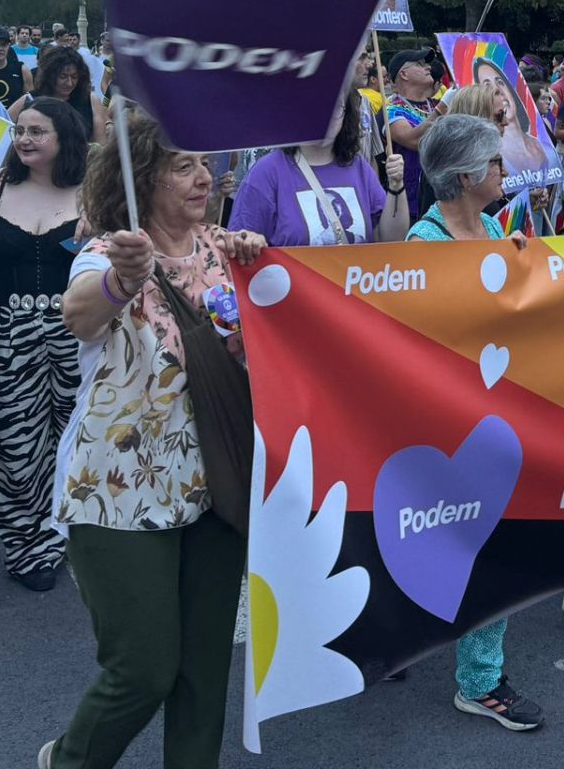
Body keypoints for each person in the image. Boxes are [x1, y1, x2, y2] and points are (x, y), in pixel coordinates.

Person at [45, 111, 266, 768]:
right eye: (183, 166)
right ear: (142, 177)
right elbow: (80, 314)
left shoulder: (225, 248)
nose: (205, 177)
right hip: (117, 493)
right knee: (142, 670)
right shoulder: (109, 254)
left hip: (216, 485)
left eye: (206, 164)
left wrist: (259, 264)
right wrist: (123, 278)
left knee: (204, 676)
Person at [403, 114, 544, 731]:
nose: (503, 171)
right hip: (448, 429)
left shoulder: (492, 227)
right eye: (493, 163)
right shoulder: (422, 247)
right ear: (463, 175)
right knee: (465, 546)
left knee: (486, 546)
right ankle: (479, 684)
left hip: (495, 422)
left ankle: (472, 669)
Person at [0, 97, 89, 592]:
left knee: (78, 439)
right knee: (15, 445)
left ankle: (79, 533)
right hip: (5, 338)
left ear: (65, 139)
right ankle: (28, 546)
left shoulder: (94, 192)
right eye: (19, 130)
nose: (25, 139)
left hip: (78, 335)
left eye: (38, 131)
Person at [232, 89, 410, 245]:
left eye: (335, 106)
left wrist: (396, 186)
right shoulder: (266, 173)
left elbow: (391, 241)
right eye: (317, 105)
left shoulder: (359, 168)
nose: (325, 115)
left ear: (346, 113)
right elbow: (241, 244)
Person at [471, 57, 548, 175]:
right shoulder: (489, 154)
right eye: (488, 86)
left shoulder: (539, 143)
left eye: (500, 82)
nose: (497, 90)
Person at [384, 50, 441, 204]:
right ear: (404, 74)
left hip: (444, 198)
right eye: (419, 64)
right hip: (411, 203)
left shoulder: (436, 104)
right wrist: (442, 111)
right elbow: (413, 140)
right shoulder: (391, 109)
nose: (428, 67)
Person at [24, 45, 111, 142]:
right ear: (50, 75)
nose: (69, 83)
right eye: (63, 76)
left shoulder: (91, 100)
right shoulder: (30, 99)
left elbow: (99, 145)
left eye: (74, 77)